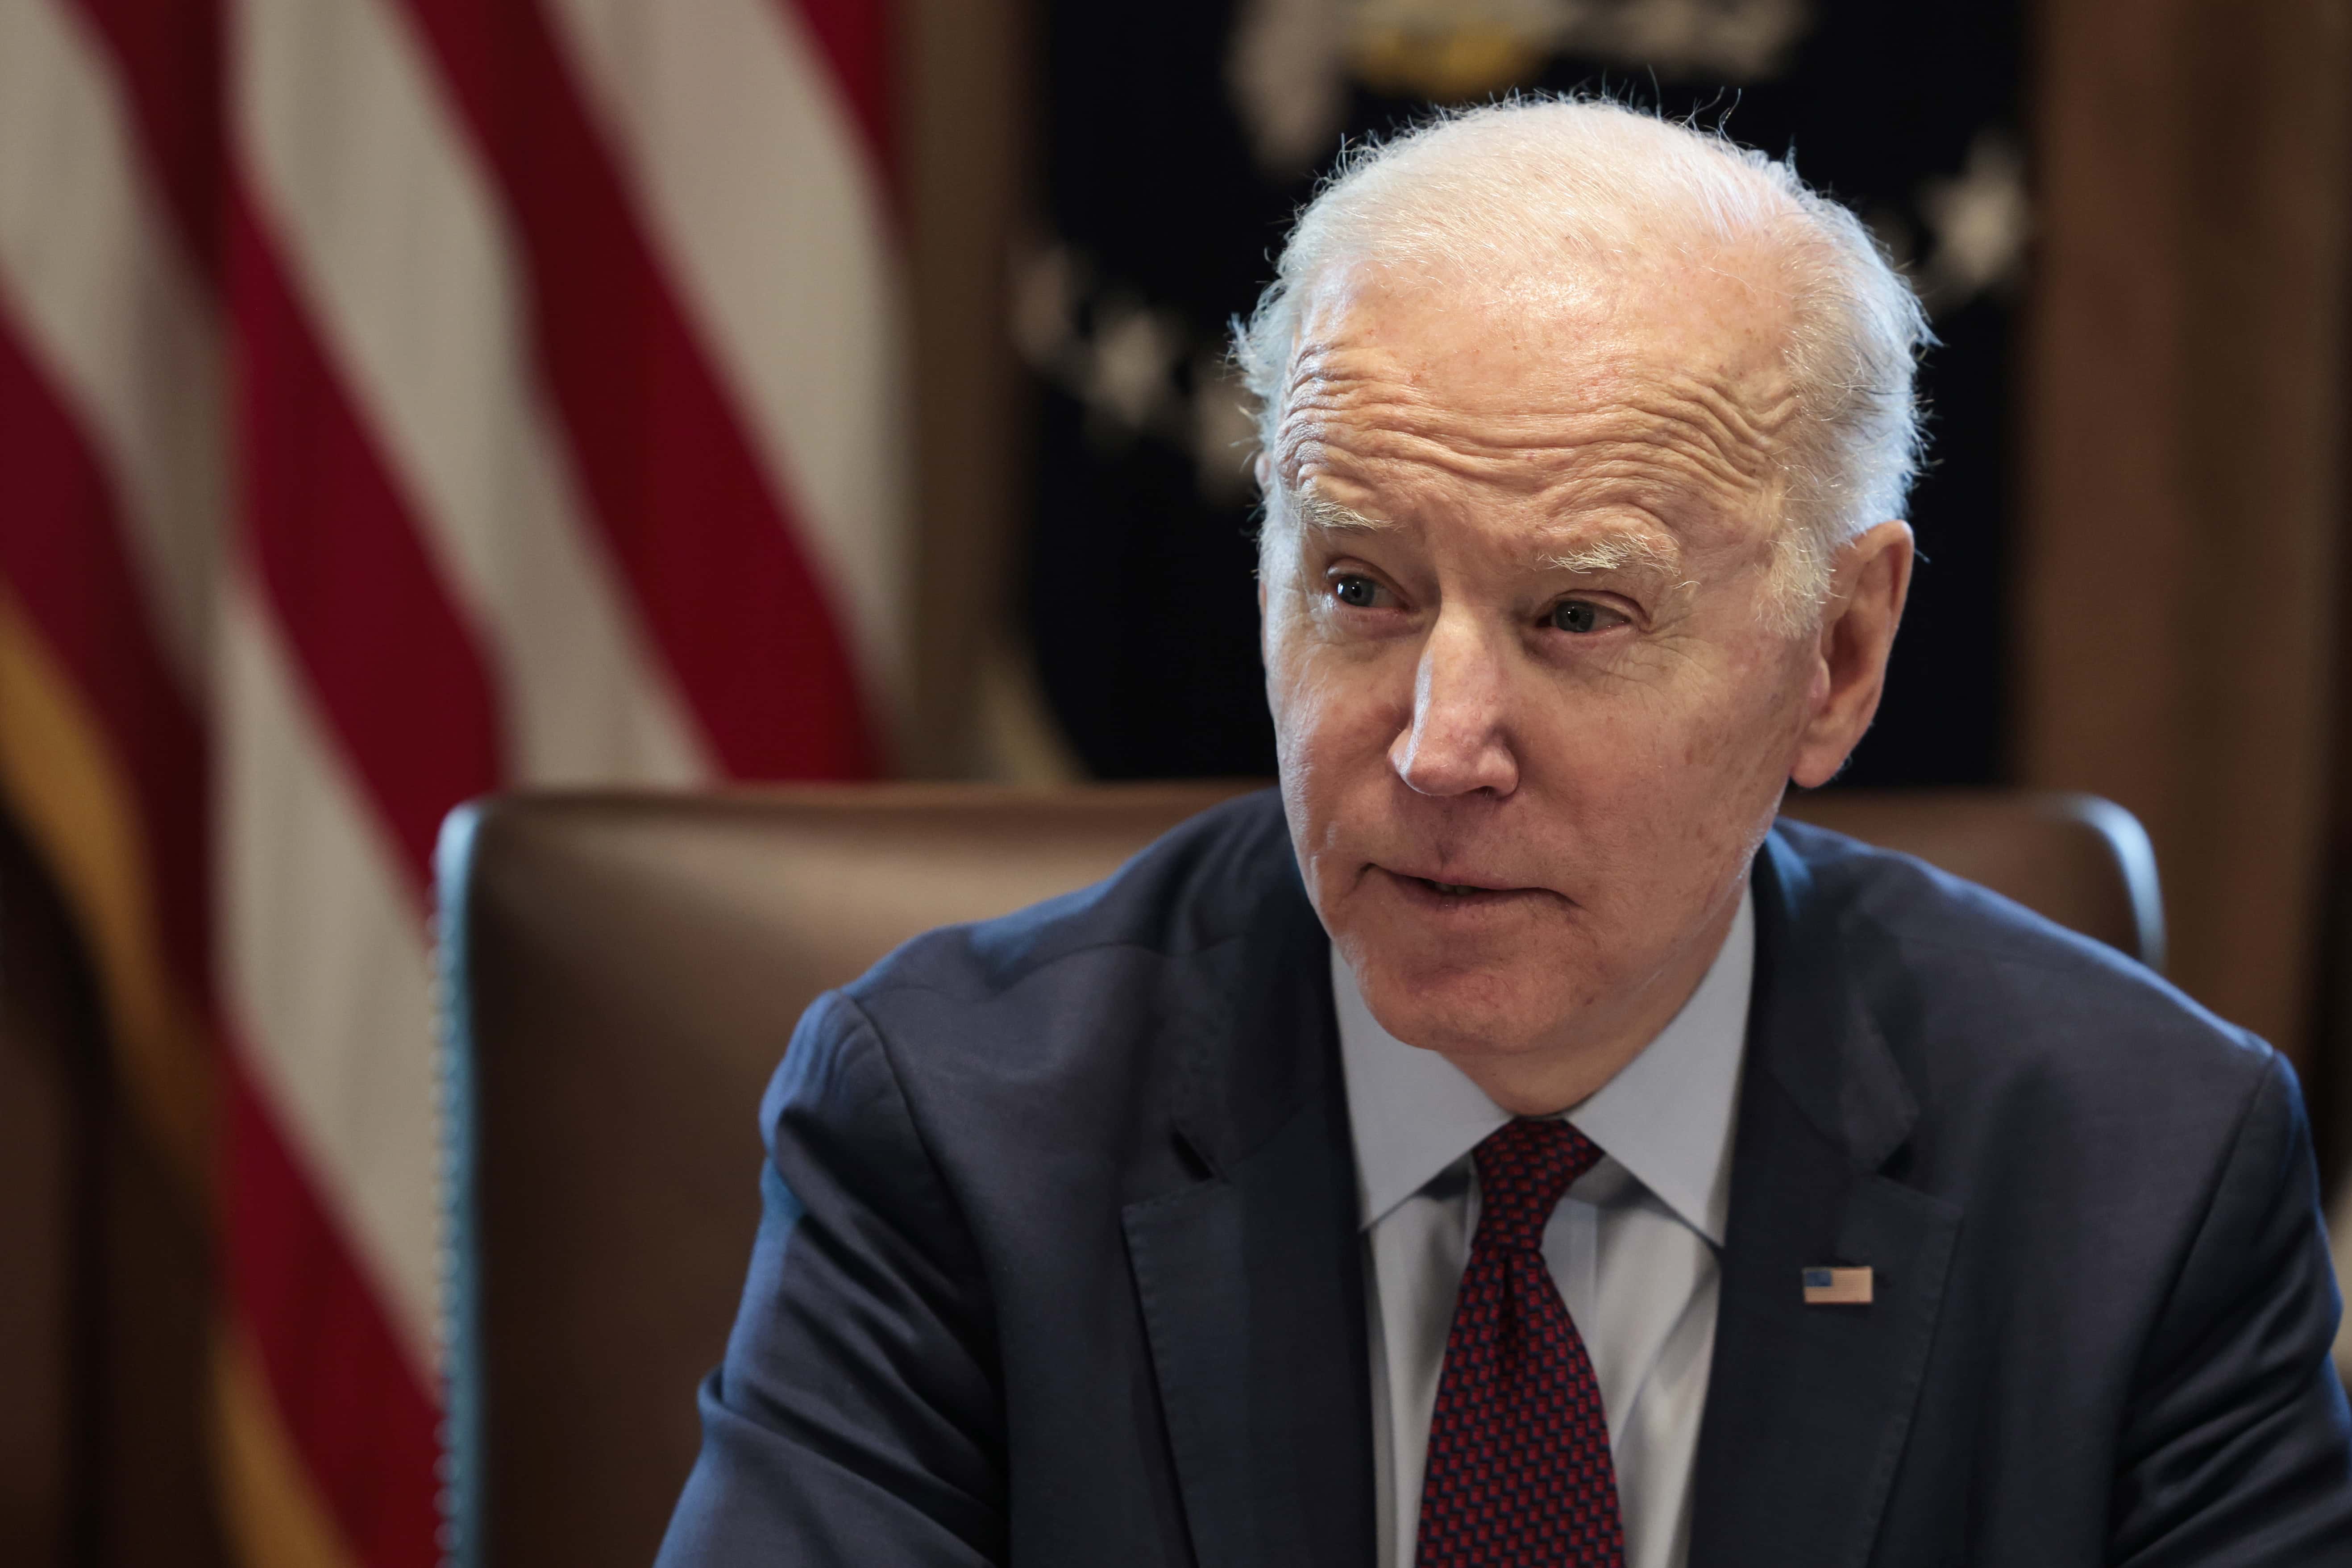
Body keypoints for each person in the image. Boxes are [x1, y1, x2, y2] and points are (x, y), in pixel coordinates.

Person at [655, 100, 2352, 1567]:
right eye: (1362, 588)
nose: (1437, 742)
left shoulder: (2144, 1180)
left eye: (1578, 615)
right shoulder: (953, 1136)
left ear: (1838, 654)